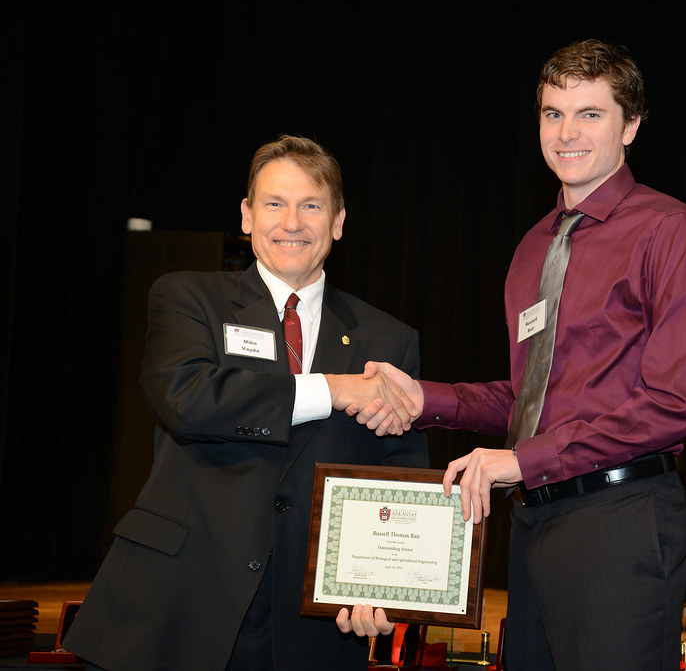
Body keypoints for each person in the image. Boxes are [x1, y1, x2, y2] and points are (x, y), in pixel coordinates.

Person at [361, 40, 686, 670]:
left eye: (590, 113)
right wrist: (428, 400)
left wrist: (521, 460)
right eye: (553, 113)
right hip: (534, 526)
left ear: (631, 126)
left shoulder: (671, 231)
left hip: (620, 522)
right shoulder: (534, 247)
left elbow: (677, 404)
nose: (567, 132)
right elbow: (531, 396)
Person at [62, 135, 428, 670]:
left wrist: (381, 584)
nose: (292, 222)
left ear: (339, 221)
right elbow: (188, 400)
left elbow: (399, 474)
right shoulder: (187, 298)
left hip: (312, 623)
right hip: (177, 600)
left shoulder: (389, 340)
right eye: (274, 204)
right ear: (247, 215)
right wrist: (334, 388)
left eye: (311, 205)